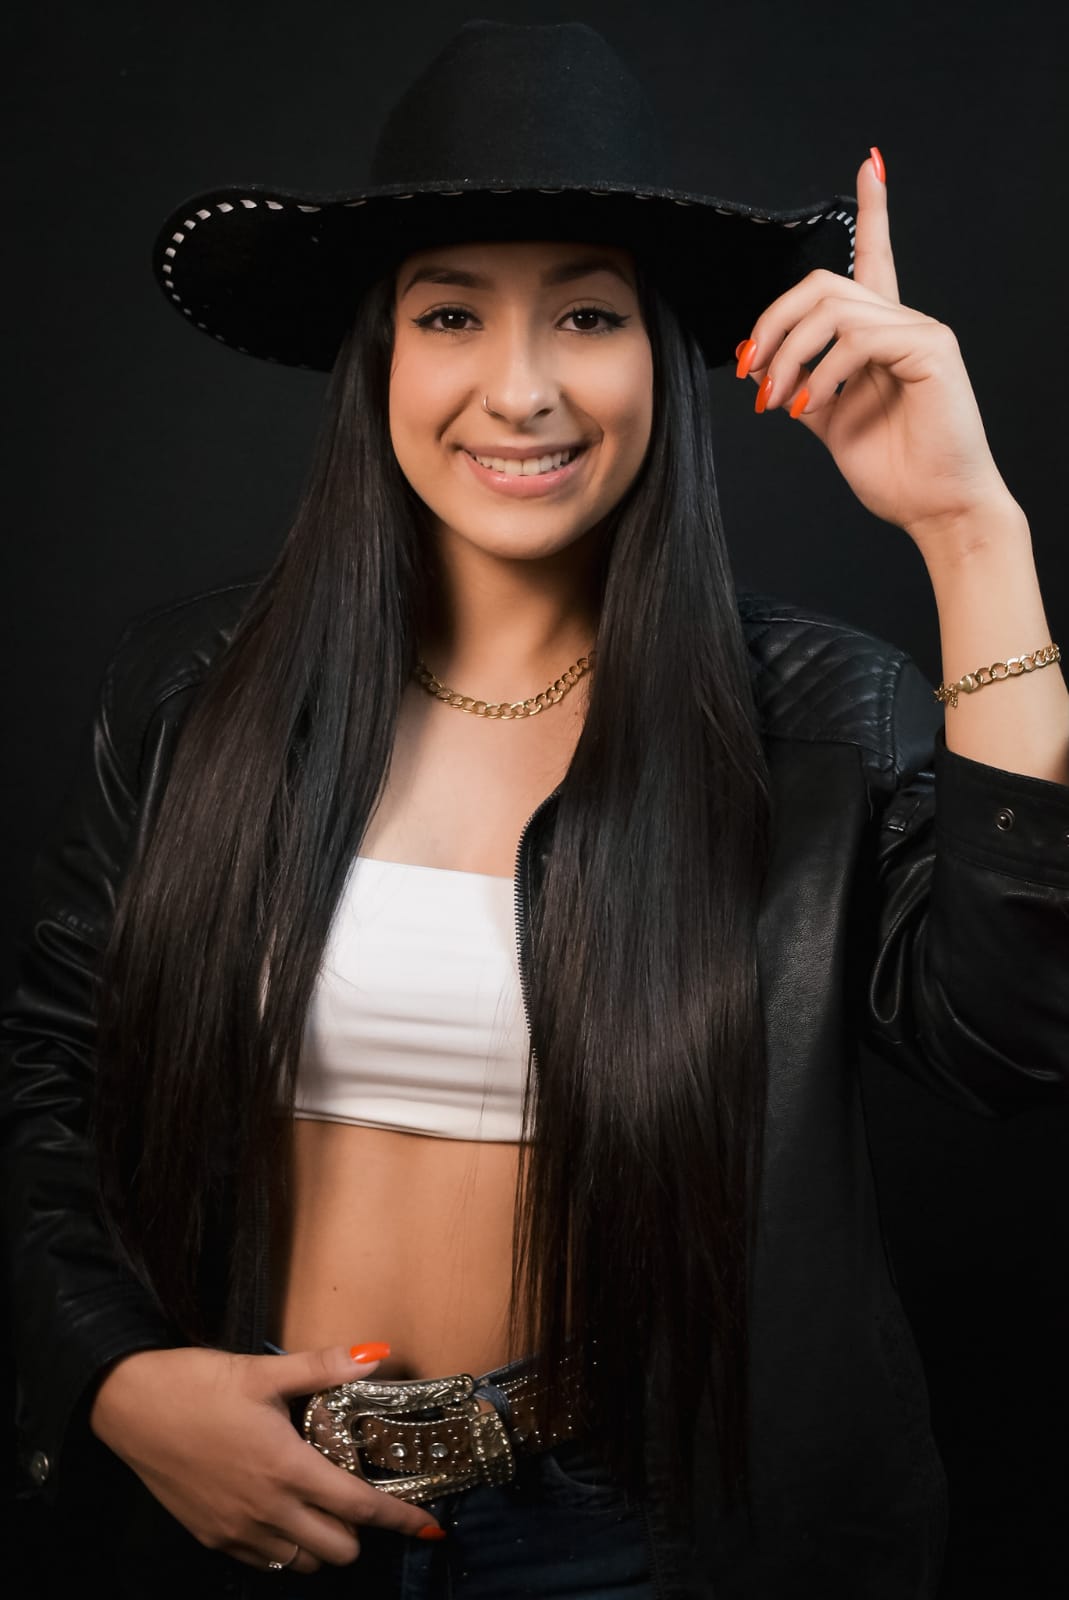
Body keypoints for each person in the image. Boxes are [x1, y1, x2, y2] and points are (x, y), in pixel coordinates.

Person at [3, 18, 1068, 1600]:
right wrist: (114, 1375)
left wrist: (969, 533)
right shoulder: (191, 690)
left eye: (585, 315)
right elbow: (47, 1075)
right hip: (230, 1504)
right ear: (378, 356)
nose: (520, 389)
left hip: (625, 1528)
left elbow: (1012, 1038)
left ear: (662, 358)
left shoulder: (817, 717)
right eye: (451, 314)